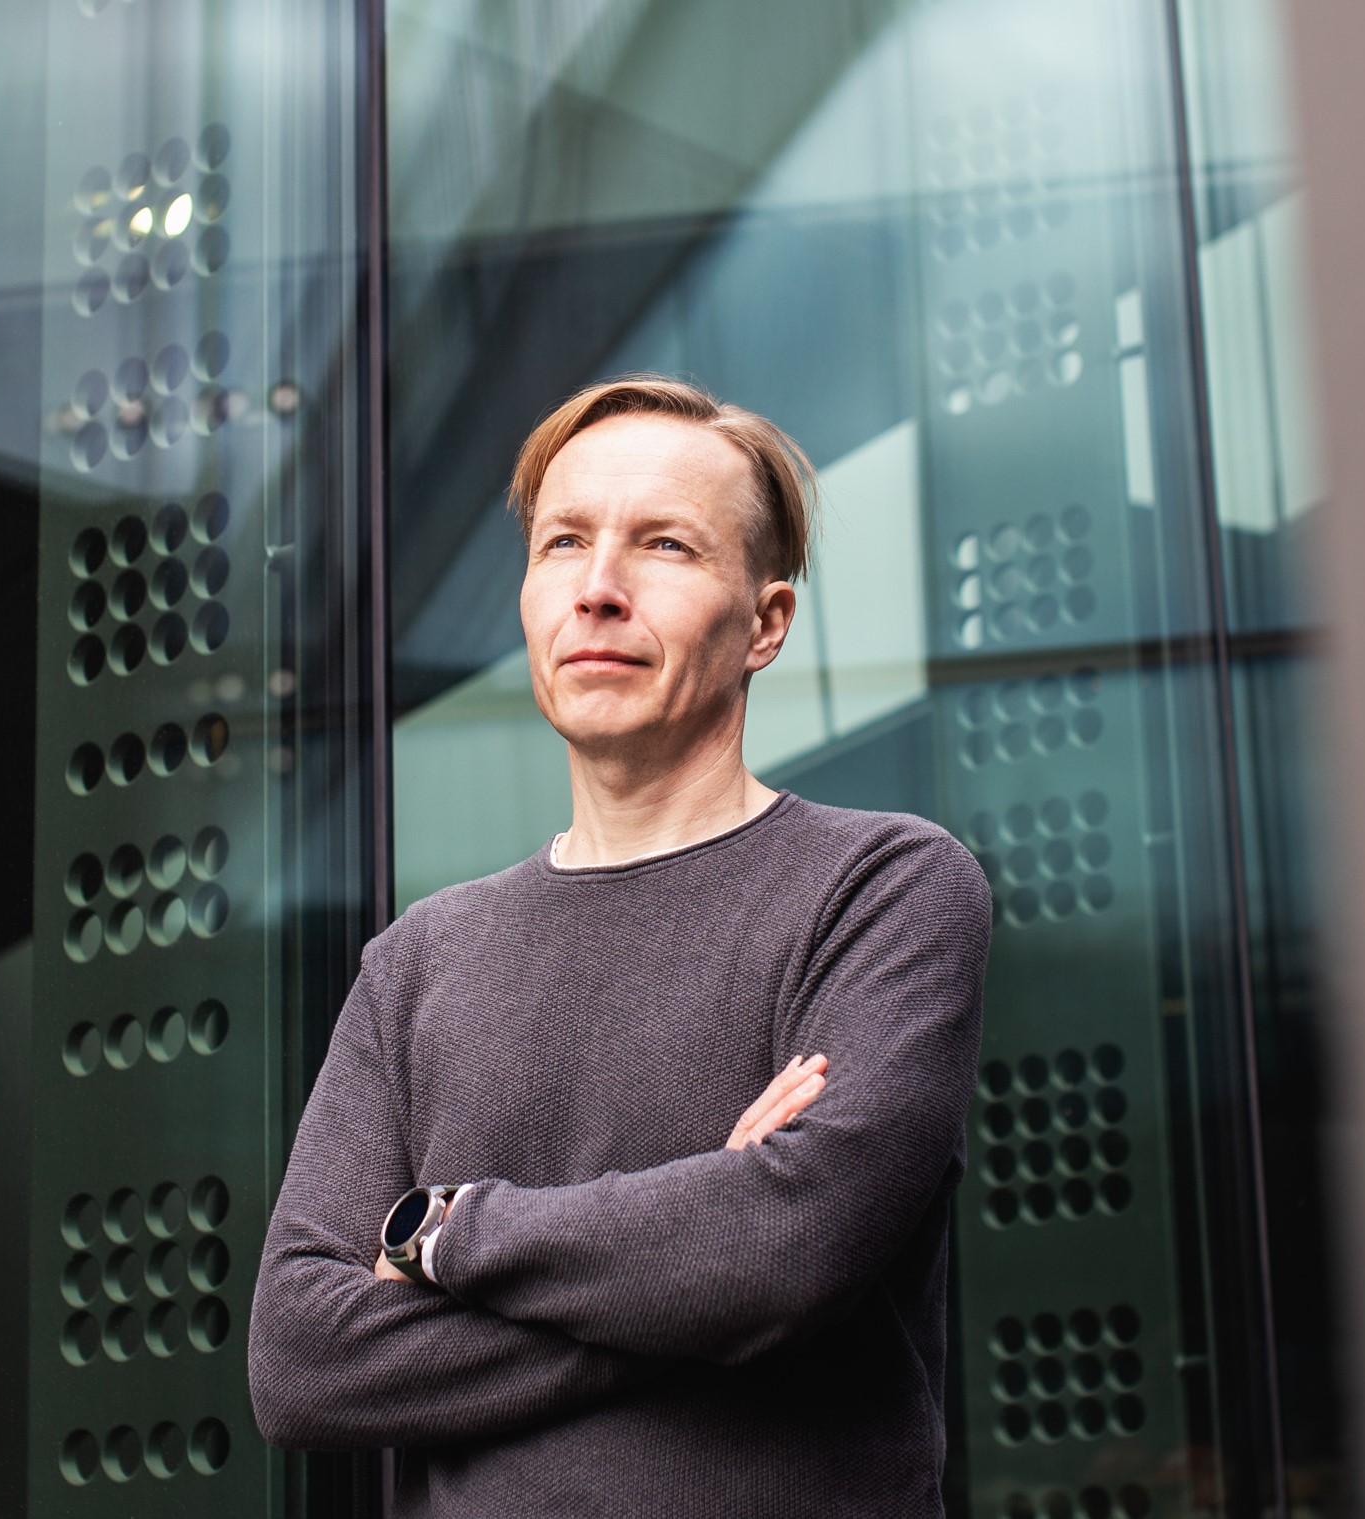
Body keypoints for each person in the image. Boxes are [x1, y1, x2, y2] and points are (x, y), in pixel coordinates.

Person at [251, 376, 993, 1515]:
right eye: (563, 542)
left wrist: (445, 1234)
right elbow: (303, 1361)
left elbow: (784, 1251)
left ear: (766, 623)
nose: (598, 588)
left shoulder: (882, 888)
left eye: (665, 545)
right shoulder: (418, 963)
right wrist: (704, 1276)